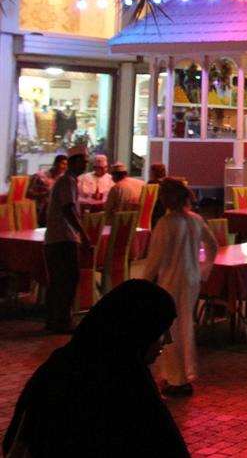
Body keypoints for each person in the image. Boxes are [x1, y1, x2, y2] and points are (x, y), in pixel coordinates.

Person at [3, 279, 188, 458]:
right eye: (160, 331)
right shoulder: (126, 384)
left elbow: (16, 438)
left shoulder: (62, 363)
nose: (168, 340)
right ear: (138, 330)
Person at [142, 177, 217, 397]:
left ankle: (176, 378)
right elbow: (212, 245)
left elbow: (154, 260)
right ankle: (183, 374)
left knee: (171, 331)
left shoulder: (166, 224)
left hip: (171, 282)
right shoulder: (195, 220)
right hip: (191, 280)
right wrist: (203, 271)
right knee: (185, 327)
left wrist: (144, 284)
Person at [43, 149, 93, 333]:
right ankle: (61, 320)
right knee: (67, 279)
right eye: (83, 161)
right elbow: (68, 209)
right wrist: (83, 234)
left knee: (59, 280)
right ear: (74, 162)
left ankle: (54, 319)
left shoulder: (68, 181)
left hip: (59, 237)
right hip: (63, 237)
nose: (86, 164)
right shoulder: (67, 182)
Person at [25, 154, 67, 227]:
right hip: (40, 212)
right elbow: (28, 194)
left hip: (56, 214)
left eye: (67, 165)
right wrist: (45, 194)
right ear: (55, 163)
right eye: (63, 164)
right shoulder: (40, 176)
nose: (65, 167)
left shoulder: (63, 179)